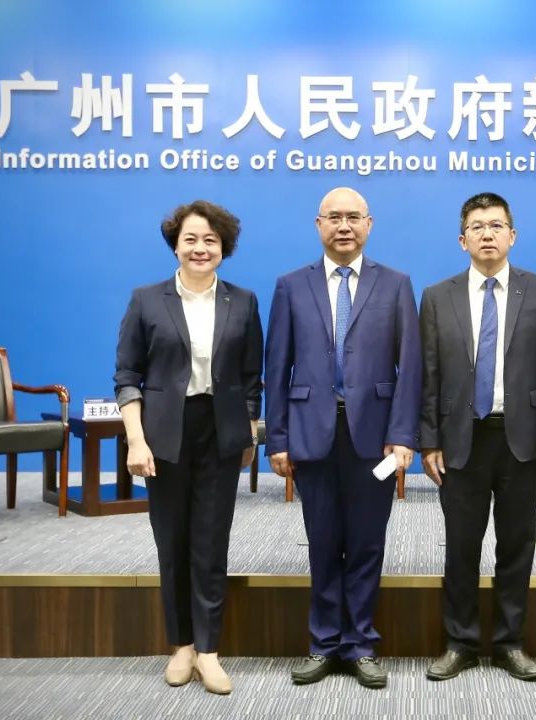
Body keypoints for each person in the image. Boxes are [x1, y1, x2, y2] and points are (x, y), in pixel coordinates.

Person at [264, 187, 422, 689]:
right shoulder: (291, 286)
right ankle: (324, 642)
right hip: (311, 433)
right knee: (323, 542)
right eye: (334, 217)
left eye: (354, 217)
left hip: (374, 438)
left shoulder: (396, 284)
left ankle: (360, 644)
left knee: (367, 543)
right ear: (319, 225)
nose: (344, 226)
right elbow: (276, 368)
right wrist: (277, 439)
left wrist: (403, 435)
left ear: (369, 224)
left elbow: (410, 368)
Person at [114, 200, 264, 695]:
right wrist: (136, 439)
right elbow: (127, 376)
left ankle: (209, 650)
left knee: (211, 543)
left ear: (224, 247)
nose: (201, 248)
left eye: (210, 241)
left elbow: (251, 377)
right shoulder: (146, 300)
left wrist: (247, 432)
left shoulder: (243, 301)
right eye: (191, 240)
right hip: (163, 435)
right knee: (173, 542)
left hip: (220, 432)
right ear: (176, 246)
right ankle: (180, 646)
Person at [419, 192, 536, 682]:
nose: (487, 234)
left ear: (512, 236)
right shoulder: (437, 296)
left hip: (520, 438)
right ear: (462, 240)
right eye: (478, 227)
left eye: (496, 225)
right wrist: (429, 441)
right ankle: (460, 642)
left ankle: (510, 642)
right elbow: (428, 375)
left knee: (517, 544)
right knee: (460, 546)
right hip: (460, 439)